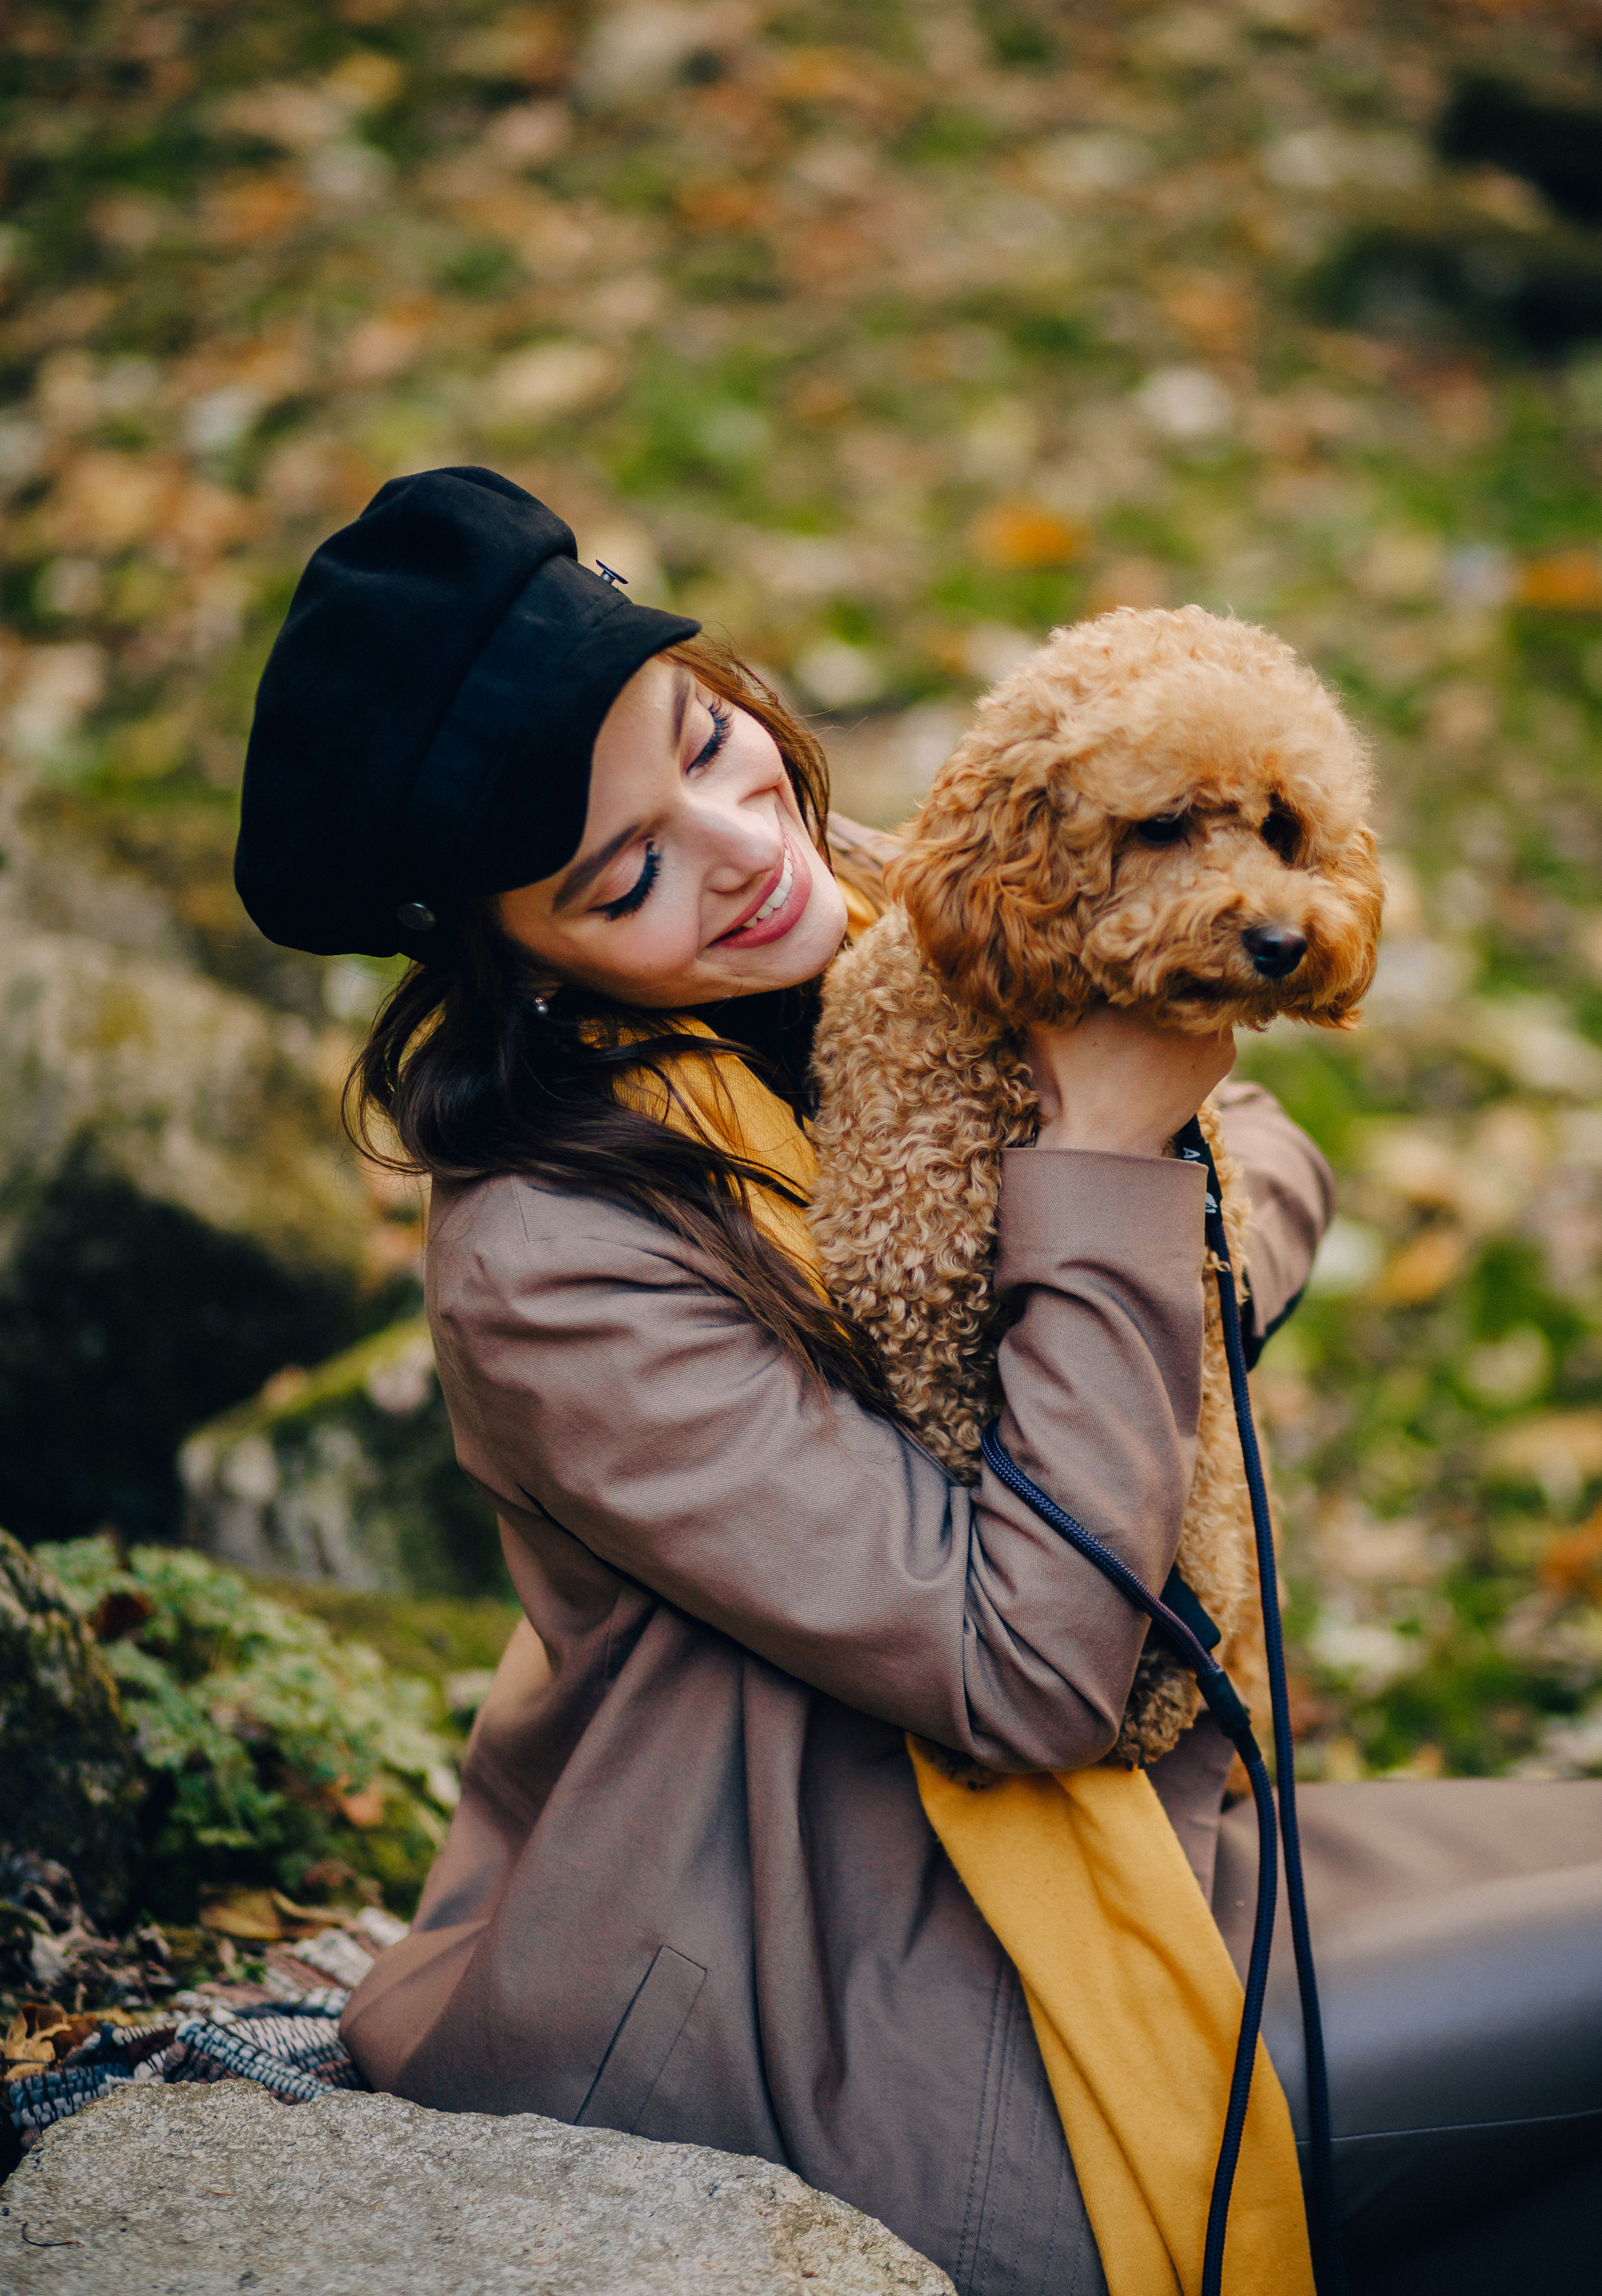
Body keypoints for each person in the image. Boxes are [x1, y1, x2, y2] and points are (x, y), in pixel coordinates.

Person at [237, 468, 1602, 2296]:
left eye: (713, 742)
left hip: (1154, 1831)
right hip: (861, 1990)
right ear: (508, 959)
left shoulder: (868, 902)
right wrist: (1104, 1169)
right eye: (623, 873)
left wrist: (1104, 1215)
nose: (738, 848)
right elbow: (1032, 1661)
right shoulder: (549, 1264)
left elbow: (1268, 1149)